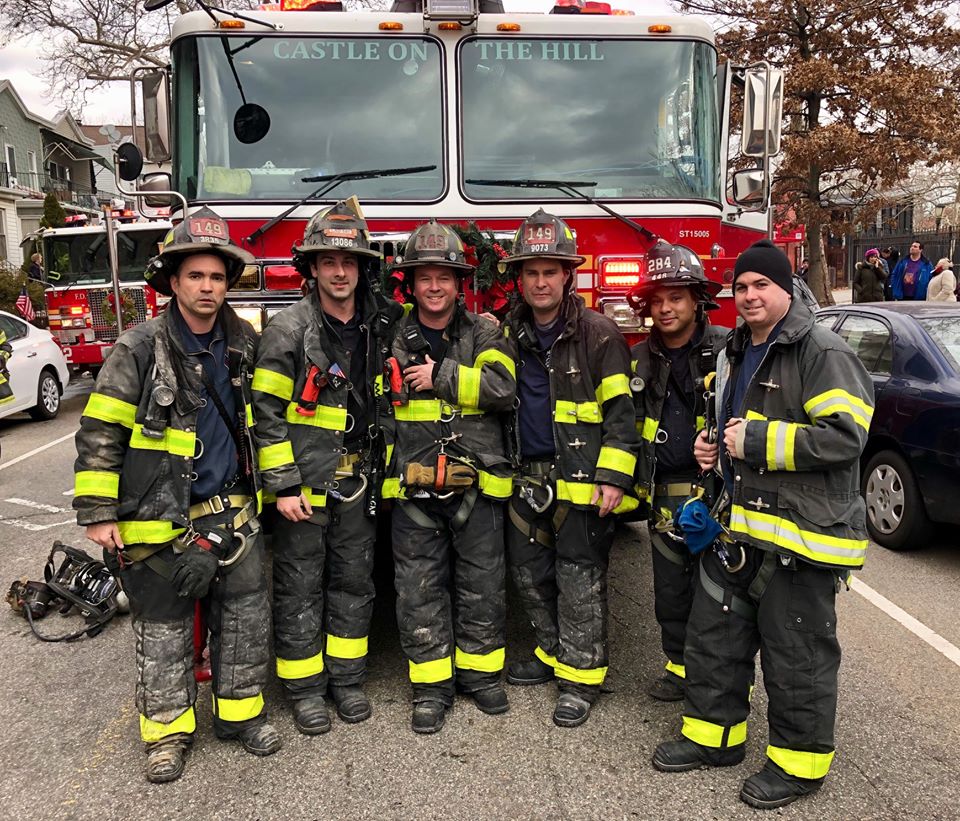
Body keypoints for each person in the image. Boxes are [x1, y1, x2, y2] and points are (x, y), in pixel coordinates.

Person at [652, 239, 874, 810]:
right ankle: (714, 739)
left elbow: (846, 438)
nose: (749, 296)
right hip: (742, 531)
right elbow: (731, 425)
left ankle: (798, 768)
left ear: (785, 289)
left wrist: (754, 441)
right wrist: (714, 452)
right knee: (713, 641)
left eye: (761, 286)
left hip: (800, 539)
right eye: (741, 287)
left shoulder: (820, 350)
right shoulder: (735, 350)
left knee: (795, 656)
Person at [73, 207, 280, 784]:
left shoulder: (244, 343)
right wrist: (96, 513)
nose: (208, 287)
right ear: (174, 280)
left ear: (227, 282)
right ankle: (166, 734)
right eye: (196, 276)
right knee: (162, 629)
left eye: (217, 277)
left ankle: (240, 719)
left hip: (232, 515)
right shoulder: (139, 348)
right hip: (157, 520)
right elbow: (100, 431)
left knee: (243, 621)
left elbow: (268, 423)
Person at [251, 199, 402, 734]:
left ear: (363, 268)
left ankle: (347, 678)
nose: (340, 272)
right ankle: (305, 689)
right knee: (299, 583)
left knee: (354, 581)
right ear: (311, 268)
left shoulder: (381, 327)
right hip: (305, 488)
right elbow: (264, 413)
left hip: (360, 482)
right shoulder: (287, 329)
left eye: (350, 262)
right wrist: (284, 484)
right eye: (328, 262)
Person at [502, 210, 638, 728]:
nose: (540, 281)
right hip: (526, 477)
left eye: (550, 271)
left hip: (582, 478)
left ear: (567, 277)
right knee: (529, 574)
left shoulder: (600, 335)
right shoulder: (507, 335)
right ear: (520, 280)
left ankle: (581, 677)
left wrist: (612, 477)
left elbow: (622, 416)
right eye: (531, 272)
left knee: (579, 578)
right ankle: (553, 652)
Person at [383, 219, 516, 734]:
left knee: (481, 583)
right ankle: (431, 688)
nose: (434, 287)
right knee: (418, 588)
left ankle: (482, 678)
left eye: (444, 277)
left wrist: (438, 377)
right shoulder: (391, 336)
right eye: (424, 277)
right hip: (414, 486)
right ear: (410, 285)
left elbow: (502, 388)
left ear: (460, 283)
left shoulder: (485, 331)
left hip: (475, 483)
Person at [626, 240, 728, 702]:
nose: (665, 309)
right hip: (663, 491)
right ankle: (679, 668)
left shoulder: (730, 350)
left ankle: (718, 676)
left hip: (717, 494)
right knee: (670, 592)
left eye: (676, 297)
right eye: (657, 300)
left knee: (718, 593)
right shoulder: (638, 358)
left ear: (696, 300)